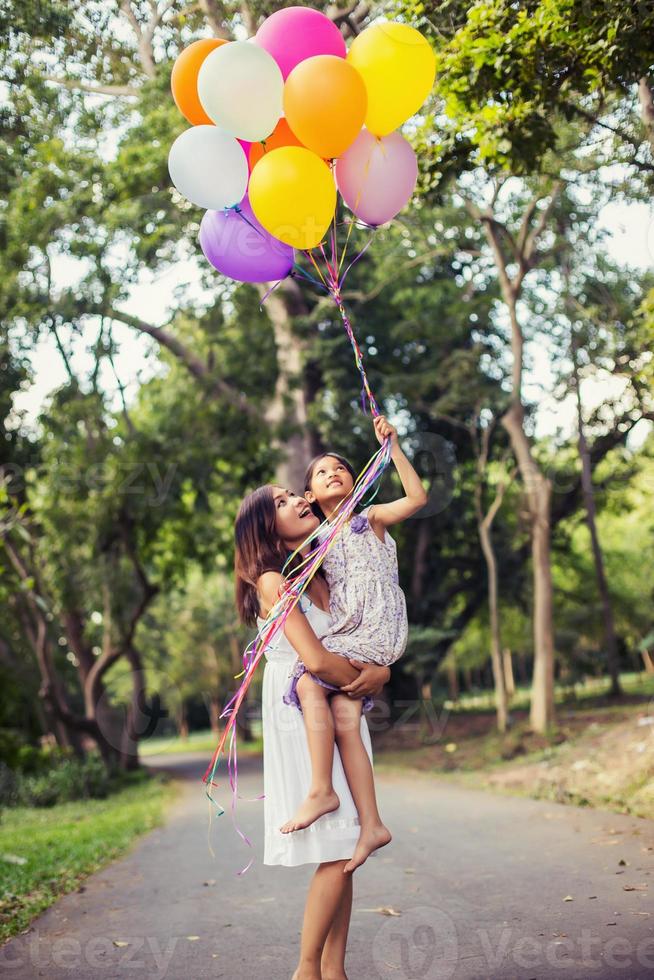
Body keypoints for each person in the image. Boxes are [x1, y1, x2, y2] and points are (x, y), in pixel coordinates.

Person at [234, 485, 390, 980]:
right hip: (303, 712)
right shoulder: (272, 581)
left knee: (343, 844)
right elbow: (317, 660)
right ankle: (306, 971)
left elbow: (358, 639)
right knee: (338, 843)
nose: (299, 500)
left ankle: (334, 970)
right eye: (281, 502)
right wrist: (373, 677)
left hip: (339, 705)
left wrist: (377, 672)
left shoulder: (321, 570)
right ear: (265, 527)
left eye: (293, 494)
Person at [280, 415, 427, 873]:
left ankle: (322, 789)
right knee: (344, 716)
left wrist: (394, 448)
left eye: (340, 467)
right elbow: (279, 550)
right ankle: (372, 824)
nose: (334, 473)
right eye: (322, 472)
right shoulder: (315, 544)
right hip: (351, 634)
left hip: (375, 630)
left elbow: (418, 498)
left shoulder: (371, 519)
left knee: (308, 683)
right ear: (310, 497)